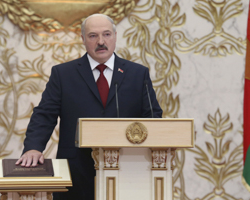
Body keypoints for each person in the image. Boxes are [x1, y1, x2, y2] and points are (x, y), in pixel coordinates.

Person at [16, 13, 163, 200]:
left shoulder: (137, 74)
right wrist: (33, 147)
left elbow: (152, 117)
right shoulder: (63, 74)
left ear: (115, 36)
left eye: (107, 34)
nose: (101, 41)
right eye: (93, 36)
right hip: (76, 172)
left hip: (127, 170)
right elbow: (45, 114)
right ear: (83, 39)